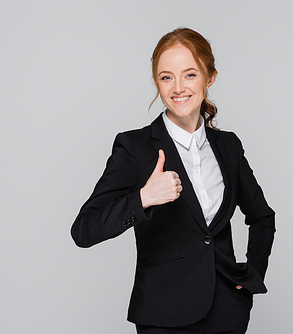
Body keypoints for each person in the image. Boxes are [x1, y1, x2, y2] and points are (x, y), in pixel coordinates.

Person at [71, 27, 275, 334]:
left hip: (227, 314)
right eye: (166, 77)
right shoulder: (134, 148)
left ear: (210, 77)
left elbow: (262, 217)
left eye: (190, 74)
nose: (178, 87)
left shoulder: (228, 146)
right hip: (163, 316)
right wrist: (143, 199)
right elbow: (83, 230)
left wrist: (250, 277)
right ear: (157, 81)